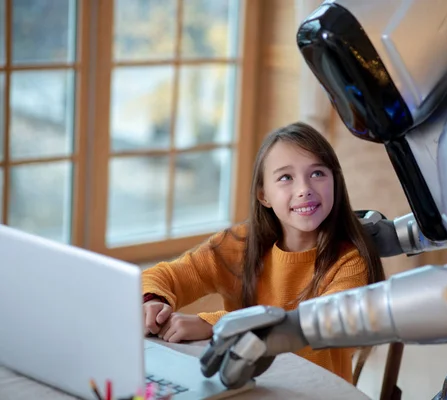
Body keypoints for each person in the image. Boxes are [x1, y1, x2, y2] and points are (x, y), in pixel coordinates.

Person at [141, 121, 385, 383]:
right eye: (285, 177)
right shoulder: (241, 243)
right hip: (250, 387)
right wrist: (154, 302)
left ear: (335, 182)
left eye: (317, 173)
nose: (304, 189)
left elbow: (315, 326)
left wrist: (217, 325)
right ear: (263, 195)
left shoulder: (349, 261)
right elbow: (167, 275)